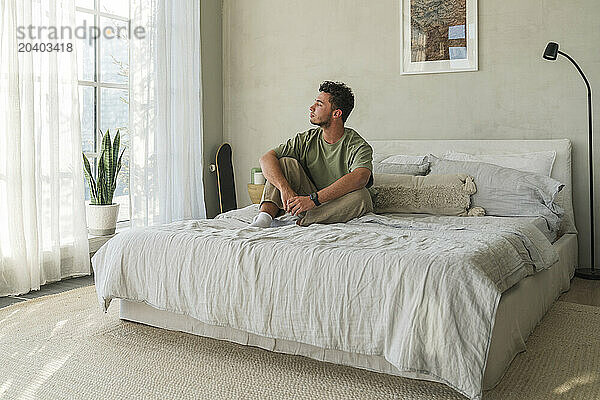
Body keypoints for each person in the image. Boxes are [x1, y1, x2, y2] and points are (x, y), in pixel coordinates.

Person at [250, 81, 374, 228]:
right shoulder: (306, 139)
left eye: (319, 104)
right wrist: (285, 189)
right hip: (305, 201)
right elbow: (266, 158)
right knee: (285, 162)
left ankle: (307, 221)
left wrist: (314, 200)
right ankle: (264, 218)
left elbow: (361, 177)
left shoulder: (358, 145)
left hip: (338, 204)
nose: (312, 108)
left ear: (336, 113)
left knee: (362, 197)